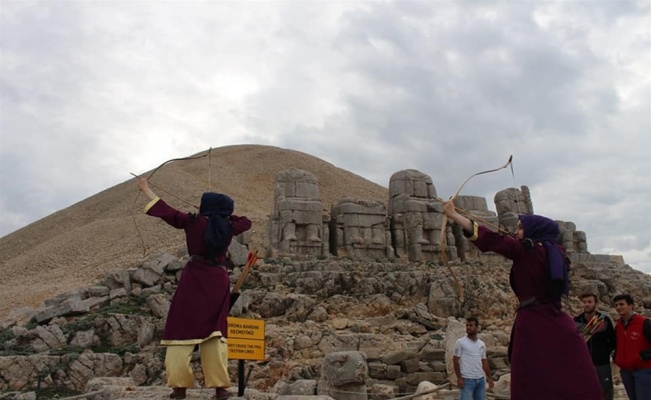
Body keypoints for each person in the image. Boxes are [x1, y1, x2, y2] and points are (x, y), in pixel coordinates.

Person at [442, 201, 602, 400]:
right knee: (567, 375)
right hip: (558, 322)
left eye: (520, 228)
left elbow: (492, 240)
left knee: (531, 378)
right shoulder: (557, 254)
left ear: (534, 231)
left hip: (533, 324)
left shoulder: (529, 250)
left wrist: (454, 215)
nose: (516, 232)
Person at [137, 178, 252, 400]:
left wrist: (145, 189)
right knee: (215, 333)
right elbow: (246, 222)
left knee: (181, 330)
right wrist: (223, 217)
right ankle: (220, 389)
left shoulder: (193, 222)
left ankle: (179, 388)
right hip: (217, 280)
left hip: (194, 279)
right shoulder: (228, 226)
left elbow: (166, 211)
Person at [573, 293, 616, 400]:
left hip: (602, 364)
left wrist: (604, 353)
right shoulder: (576, 321)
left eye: (589, 302)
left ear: (595, 304)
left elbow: (613, 341)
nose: (587, 304)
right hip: (583, 364)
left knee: (605, 393)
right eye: (584, 302)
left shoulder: (604, 320)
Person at [612, 293, 651, 400]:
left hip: (642, 369)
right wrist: (616, 358)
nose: (618, 307)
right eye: (616, 305)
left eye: (621, 304)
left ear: (630, 306)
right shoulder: (618, 325)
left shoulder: (644, 322)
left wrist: (645, 355)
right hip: (625, 370)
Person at [453, 316, 494, 400]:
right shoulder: (460, 342)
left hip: (480, 380)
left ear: (476, 327)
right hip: (467, 380)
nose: (468, 327)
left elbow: (484, 361)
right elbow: (455, 360)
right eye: (467, 325)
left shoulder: (481, 344)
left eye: (471, 325)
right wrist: (459, 378)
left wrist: (489, 377)